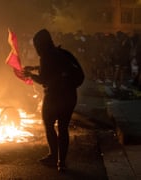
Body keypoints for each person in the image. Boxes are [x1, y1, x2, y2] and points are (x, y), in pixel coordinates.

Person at [23, 29, 84, 172]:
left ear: (40, 44)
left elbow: (44, 79)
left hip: (54, 97)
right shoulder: (62, 53)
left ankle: (53, 156)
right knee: (63, 128)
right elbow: (54, 69)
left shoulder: (45, 56)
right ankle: (61, 162)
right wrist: (35, 68)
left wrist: (30, 75)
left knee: (49, 125)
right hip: (70, 96)